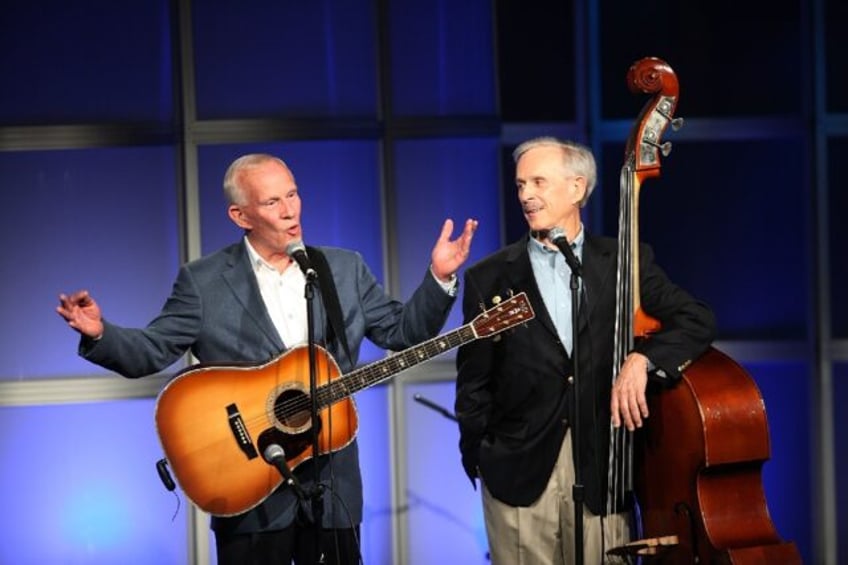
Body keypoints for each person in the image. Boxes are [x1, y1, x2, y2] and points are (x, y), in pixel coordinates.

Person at [57, 153, 478, 565]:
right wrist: (100, 333)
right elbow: (152, 350)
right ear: (241, 216)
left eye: (292, 195)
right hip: (244, 484)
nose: (289, 211)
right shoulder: (203, 281)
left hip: (331, 488)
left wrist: (439, 278)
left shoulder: (343, 268)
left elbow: (403, 332)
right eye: (272, 202)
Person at [454, 137, 715, 565]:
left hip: (603, 468)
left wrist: (644, 360)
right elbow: (473, 380)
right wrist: (481, 456)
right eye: (520, 185)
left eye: (538, 181)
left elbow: (696, 318)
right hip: (517, 473)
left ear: (577, 188)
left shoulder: (622, 262)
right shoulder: (490, 277)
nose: (526, 194)